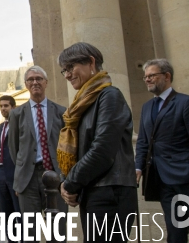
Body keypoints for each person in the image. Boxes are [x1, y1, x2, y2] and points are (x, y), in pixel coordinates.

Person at [57, 42, 137, 243]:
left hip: (111, 193)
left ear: (91, 62)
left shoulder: (110, 96)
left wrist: (70, 183)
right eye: (64, 70)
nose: (67, 75)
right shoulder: (84, 102)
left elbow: (102, 150)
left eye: (70, 67)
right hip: (95, 191)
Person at [135, 59, 189, 243]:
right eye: (145, 76)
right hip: (164, 182)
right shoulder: (147, 107)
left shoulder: (187, 103)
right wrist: (138, 168)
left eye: (152, 75)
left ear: (167, 76)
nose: (147, 80)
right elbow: (143, 142)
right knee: (176, 234)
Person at [8, 65, 67, 241]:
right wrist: (20, 175)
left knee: (57, 232)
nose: (35, 82)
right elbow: (14, 149)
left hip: (56, 178)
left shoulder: (61, 112)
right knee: (30, 233)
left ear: (46, 82)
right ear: (26, 84)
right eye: (31, 79)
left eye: (39, 78)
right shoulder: (17, 114)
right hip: (28, 179)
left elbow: (67, 147)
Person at [0, 95, 20, 243]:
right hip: (1, 173)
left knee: (18, 214)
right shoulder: (0, 127)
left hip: (15, 173)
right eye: (1, 106)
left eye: (6, 106)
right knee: (6, 215)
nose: (3, 108)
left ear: (13, 107)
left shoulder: (20, 125)